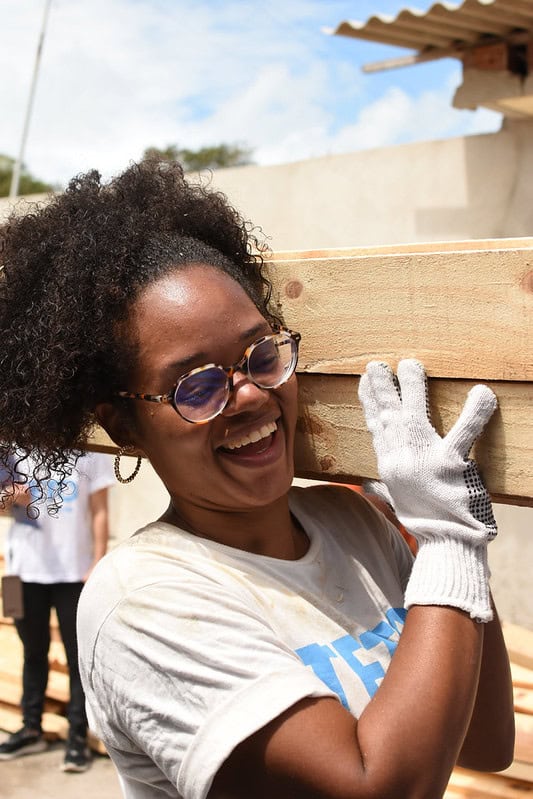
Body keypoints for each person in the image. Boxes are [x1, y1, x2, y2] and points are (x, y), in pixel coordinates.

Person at [0, 159, 514, 798]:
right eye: (196, 386)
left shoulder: (356, 523)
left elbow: (486, 738)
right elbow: (378, 789)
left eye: (261, 355)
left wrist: (453, 537)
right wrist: (448, 542)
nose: (248, 395)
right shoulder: (143, 601)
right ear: (124, 425)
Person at [0, 450, 115, 771]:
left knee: (78, 657)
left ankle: (77, 735)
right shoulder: (13, 449)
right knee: (31, 651)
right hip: (20, 572)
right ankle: (31, 729)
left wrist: (98, 561)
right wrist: (10, 496)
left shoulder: (91, 451)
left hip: (74, 572)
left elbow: (100, 510)